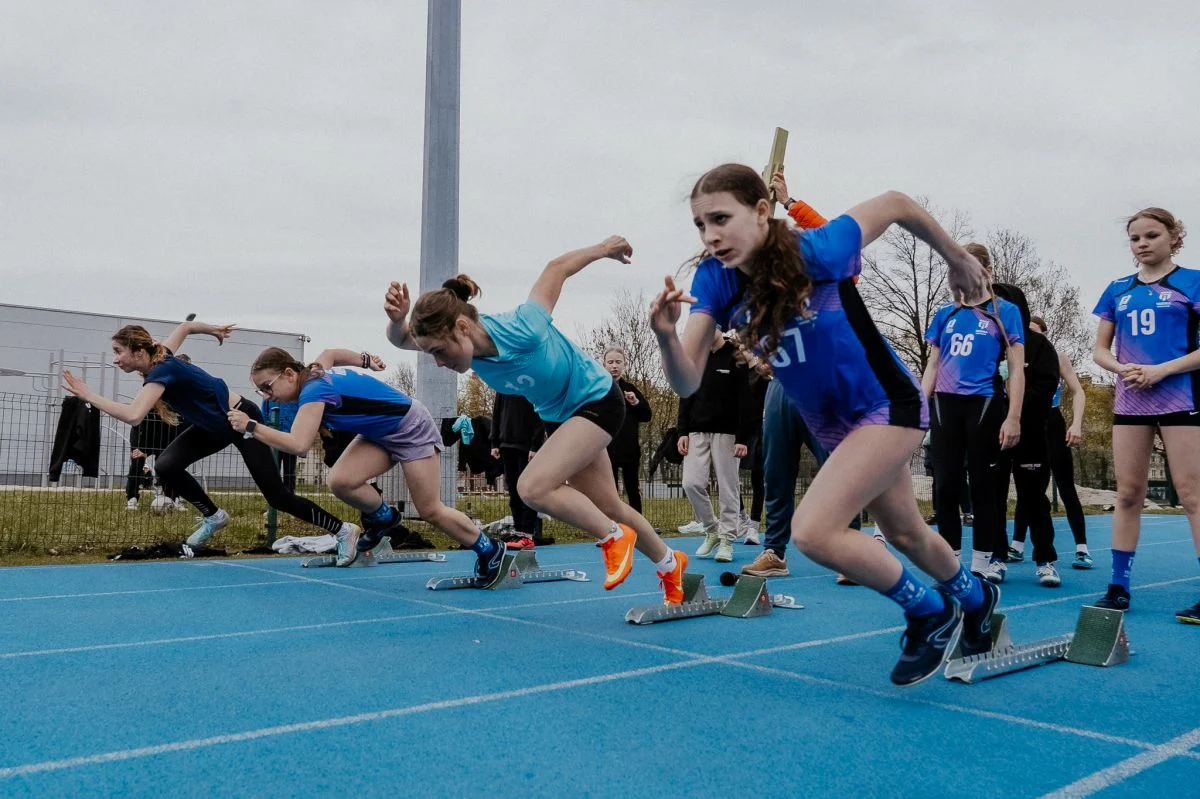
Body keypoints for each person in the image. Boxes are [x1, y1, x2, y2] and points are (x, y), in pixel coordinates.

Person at [652, 164, 998, 685]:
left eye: (721, 218)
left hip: (887, 405)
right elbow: (685, 382)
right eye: (700, 225)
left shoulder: (821, 249)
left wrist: (957, 257)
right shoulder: (715, 279)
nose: (711, 236)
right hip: (836, 426)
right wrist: (665, 337)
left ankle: (928, 610)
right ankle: (976, 599)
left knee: (813, 533)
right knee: (905, 531)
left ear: (762, 211)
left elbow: (896, 201)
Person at [384, 237, 687, 605]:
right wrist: (398, 321)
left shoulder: (522, 327)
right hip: (561, 417)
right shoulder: (456, 342)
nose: (438, 362)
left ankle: (612, 537)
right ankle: (671, 564)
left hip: (597, 399)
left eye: (439, 352)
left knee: (532, 488)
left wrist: (604, 249)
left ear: (462, 327)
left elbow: (556, 268)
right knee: (610, 505)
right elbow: (401, 341)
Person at [61, 320, 360, 559]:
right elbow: (185, 327)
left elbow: (134, 415)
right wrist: (212, 329)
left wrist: (88, 395)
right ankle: (214, 517)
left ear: (139, 352)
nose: (116, 360)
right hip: (212, 426)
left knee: (277, 496)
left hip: (241, 418)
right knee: (166, 466)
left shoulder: (162, 369)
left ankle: (342, 530)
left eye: (118, 352)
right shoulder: (160, 354)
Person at [229, 347, 507, 580]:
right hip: (380, 433)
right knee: (340, 481)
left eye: (267, 387)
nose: (266, 396)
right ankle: (385, 517)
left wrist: (251, 426)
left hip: (411, 428)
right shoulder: (315, 370)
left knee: (430, 509)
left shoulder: (313, 391)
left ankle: (490, 549)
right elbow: (331, 353)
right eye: (260, 391)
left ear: (289, 374)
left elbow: (299, 445)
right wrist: (365, 361)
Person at [1090, 207, 1200, 623]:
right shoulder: (1118, 289)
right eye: (1135, 238)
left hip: (1180, 397)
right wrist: (1121, 369)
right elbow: (1100, 349)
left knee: (1191, 495)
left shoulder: (1193, 282)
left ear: (1174, 235)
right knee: (1128, 494)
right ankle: (1118, 588)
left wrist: (1162, 370)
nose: (1142, 244)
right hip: (1131, 400)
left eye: (1152, 235)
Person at [922, 244, 1024, 584]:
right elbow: (933, 364)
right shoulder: (944, 315)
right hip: (944, 405)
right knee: (946, 485)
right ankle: (950, 564)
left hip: (983, 403)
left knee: (983, 486)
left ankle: (983, 562)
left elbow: (1016, 368)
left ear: (986, 272)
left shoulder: (1004, 312)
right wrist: (921, 407)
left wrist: (1013, 416)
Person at [990, 284, 1063, 587]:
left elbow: (1046, 388)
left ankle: (1045, 560)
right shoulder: (986, 342)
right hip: (992, 435)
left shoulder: (1039, 346)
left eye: (1002, 305)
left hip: (1030, 433)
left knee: (1034, 499)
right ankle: (994, 557)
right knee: (992, 498)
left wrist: (1015, 411)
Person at [1009, 315, 1091, 569]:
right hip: (1026, 421)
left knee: (1066, 486)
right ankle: (1017, 545)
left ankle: (1081, 548)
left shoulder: (1057, 356)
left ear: (1045, 333)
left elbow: (1078, 390)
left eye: (1036, 332)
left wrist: (1076, 423)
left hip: (1052, 420)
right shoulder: (1017, 354)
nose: (1032, 337)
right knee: (1028, 487)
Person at [677, 328, 756, 563]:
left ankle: (727, 540)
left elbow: (746, 399)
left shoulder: (736, 356)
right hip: (696, 431)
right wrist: (682, 431)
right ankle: (711, 528)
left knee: (728, 487)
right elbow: (686, 394)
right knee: (690, 483)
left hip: (727, 433)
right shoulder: (696, 356)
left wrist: (743, 437)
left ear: (720, 328)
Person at [490, 392, 550, 544]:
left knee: (527, 491)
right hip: (506, 444)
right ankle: (518, 531)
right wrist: (494, 442)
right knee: (513, 491)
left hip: (527, 447)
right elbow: (496, 412)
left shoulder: (529, 382)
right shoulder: (502, 385)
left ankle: (528, 532)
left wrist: (536, 444)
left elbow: (540, 414)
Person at [602, 346, 652, 515]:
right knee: (609, 491)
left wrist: (636, 402)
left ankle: (638, 528)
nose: (614, 366)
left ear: (624, 365)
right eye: (610, 362)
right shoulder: (598, 388)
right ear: (604, 365)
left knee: (632, 489)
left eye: (618, 362)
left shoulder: (630, 389)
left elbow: (647, 415)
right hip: (605, 449)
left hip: (629, 449)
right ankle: (610, 529)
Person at [125, 408, 185, 510]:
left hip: (166, 430)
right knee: (137, 462)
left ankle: (172, 497)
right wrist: (138, 446)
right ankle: (132, 498)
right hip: (144, 428)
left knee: (166, 464)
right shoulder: (148, 399)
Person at [261, 396, 300, 492]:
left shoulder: (295, 396)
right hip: (274, 438)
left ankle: (290, 496)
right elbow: (264, 415)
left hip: (290, 438)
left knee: (289, 470)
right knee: (274, 468)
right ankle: (274, 494)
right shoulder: (269, 397)